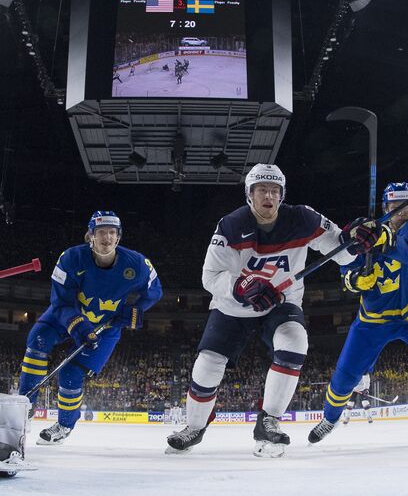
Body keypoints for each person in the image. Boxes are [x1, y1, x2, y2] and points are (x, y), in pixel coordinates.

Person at [166, 163, 381, 457]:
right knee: (208, 363)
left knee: (295, 342)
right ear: (249, 195)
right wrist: (242, 287)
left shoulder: (304, 218)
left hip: (282, 302)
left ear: (282, 195)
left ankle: (269, 422)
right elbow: (210, 277)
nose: (268, 195)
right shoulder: (230, 225)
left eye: (274, 190)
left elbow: (341, 254)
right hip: (233, 307)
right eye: (261, 190)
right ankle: (194, 427)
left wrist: (357, 240)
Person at [308, 182, 408, 446]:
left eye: (407, 205)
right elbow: (346, 275)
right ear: (386, 207)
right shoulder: (364, 234)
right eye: (395, 206)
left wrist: (382, 238)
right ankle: (329, 418)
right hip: (373, 321)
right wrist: (357, 280)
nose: (402, 211)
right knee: (344, 379)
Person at [18, 211, 163, 445]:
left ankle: (64, 425)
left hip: (105, 328)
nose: (107, 238)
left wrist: (134, 312)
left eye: (112, 233)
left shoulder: (136, 263)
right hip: (66, 317)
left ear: (118, 238)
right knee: (38, 340)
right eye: (101, 232)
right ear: (90, 236)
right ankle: (25, 405)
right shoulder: (70, 258)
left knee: (71, 373)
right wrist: (79, 325)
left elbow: (155, 291)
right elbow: (61, 302)